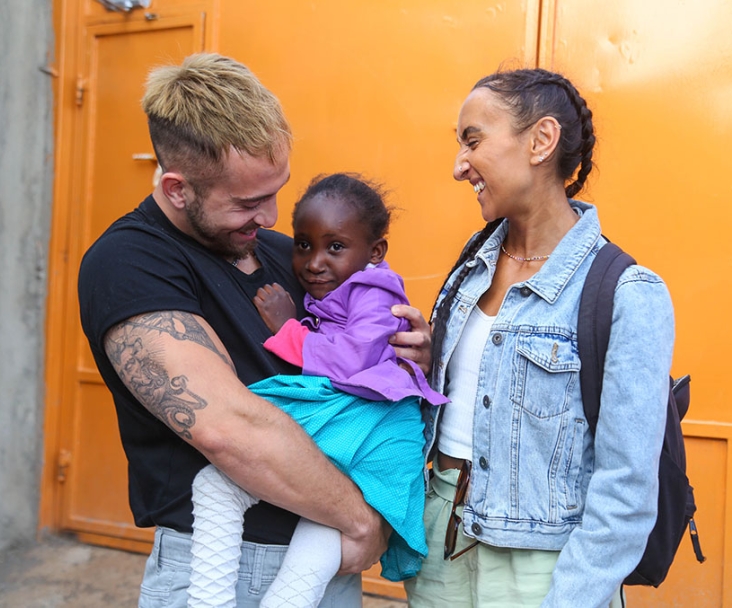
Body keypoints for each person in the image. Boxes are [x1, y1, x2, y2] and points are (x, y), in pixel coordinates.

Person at [77, 53, 431, 608]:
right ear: (176, 189)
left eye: (276, 191)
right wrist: (362, 518)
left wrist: (406, 357)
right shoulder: (130, 262)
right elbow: (228, 428)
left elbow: (349, 364)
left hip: (323, 561)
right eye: (247, 201)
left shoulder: (282, 253)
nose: (270, 217)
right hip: (225, 565)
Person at [403, 68, 675, 608]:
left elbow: (625, 488)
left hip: (543, 566)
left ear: (541, 141)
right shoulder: (469, 270)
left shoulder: (626, 291)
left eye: (473, 141)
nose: (460, 166)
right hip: (442, 540)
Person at [188, 172, 447, 607]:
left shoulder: (375, 291)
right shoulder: (343, 289)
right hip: (364, 426)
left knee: (219, 483)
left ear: (375, 251)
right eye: (303, 245)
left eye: (336, 247)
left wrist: (290, 329)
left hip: (372, 426)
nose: (314, 262)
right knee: (319, 528)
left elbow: (353, 359)